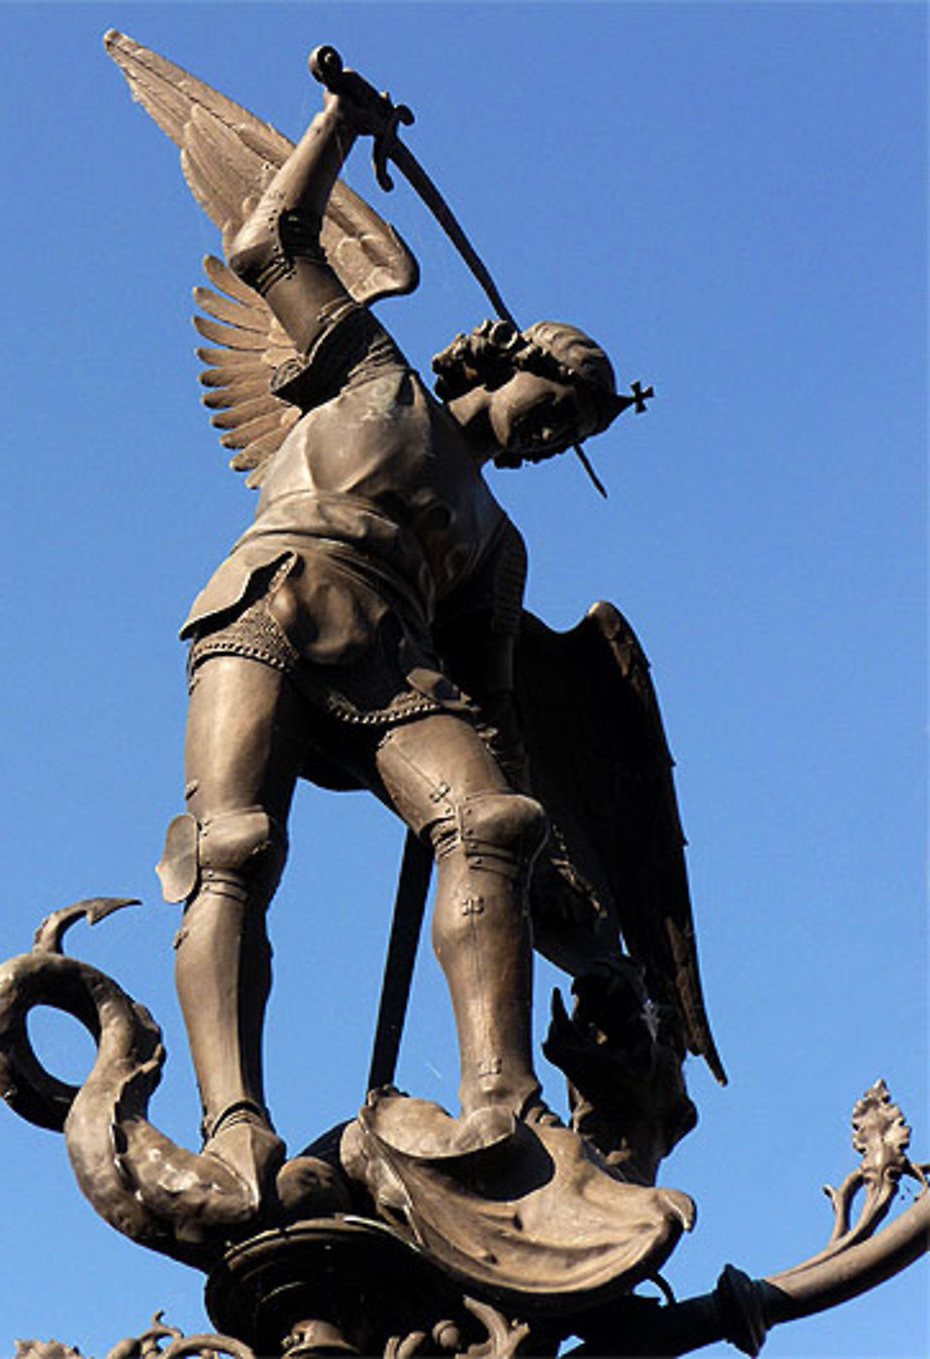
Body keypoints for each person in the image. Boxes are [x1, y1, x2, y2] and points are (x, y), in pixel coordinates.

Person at [155, 79, 638, 1207]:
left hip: (390, 656)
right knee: (235, 844)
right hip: (267, 602)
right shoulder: (374, 371)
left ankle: (498, 1106)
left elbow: (495, 716)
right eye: (561, 398)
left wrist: (563, 867)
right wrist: (339, 127)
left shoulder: (499, 547)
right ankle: (235, 1126)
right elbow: (265, 238)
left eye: (577, 428)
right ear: (512, 360)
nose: (557, 429)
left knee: (490, 818)